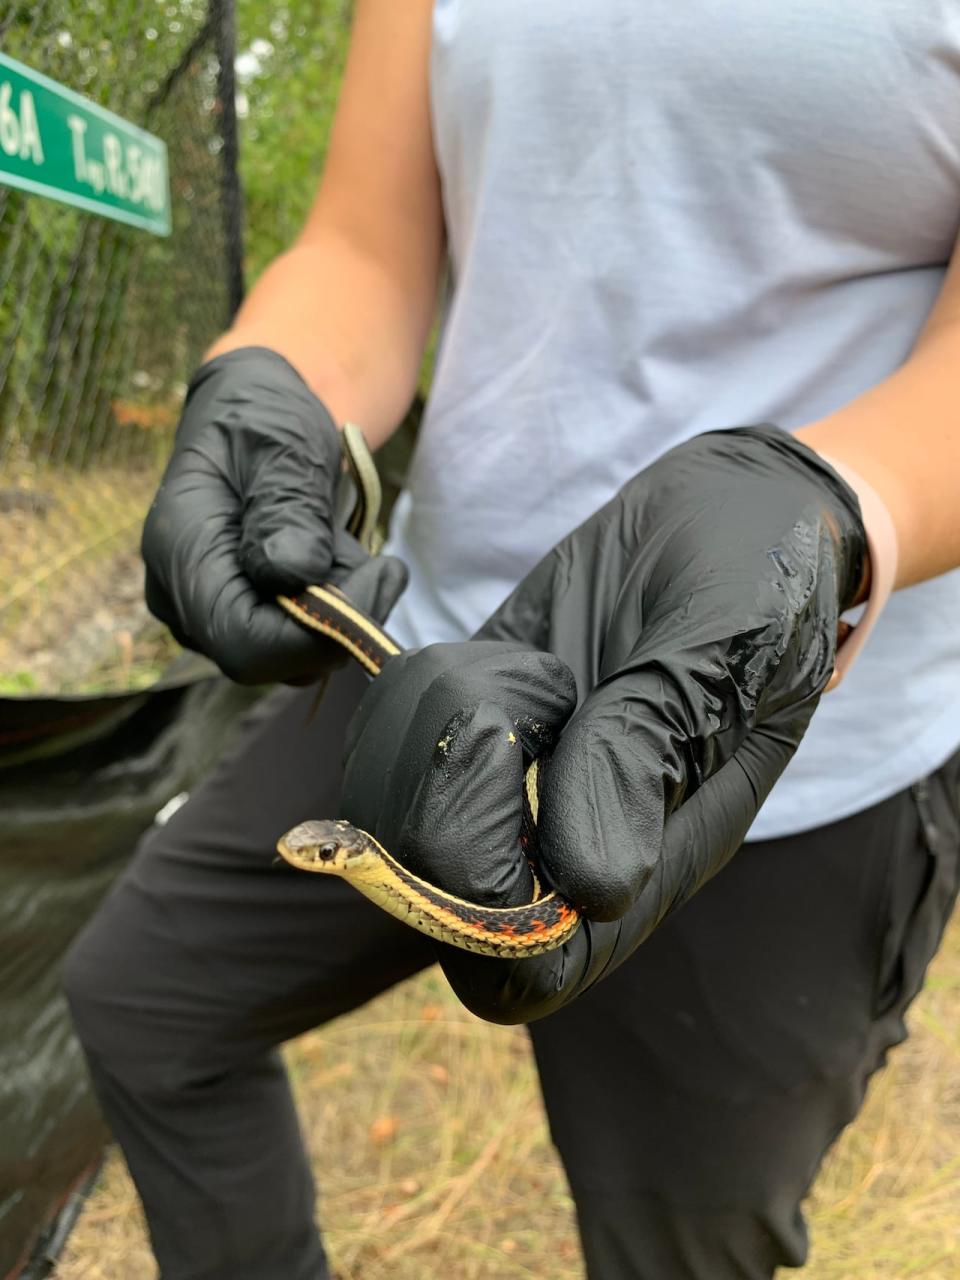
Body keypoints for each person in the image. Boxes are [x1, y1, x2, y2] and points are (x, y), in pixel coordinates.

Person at [64, 2, 960, 1277]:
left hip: (774, 753)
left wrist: (832, 508)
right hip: (437, 662)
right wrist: (272, 377)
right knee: (144, 999)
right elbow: (366, 246)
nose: (329, 855)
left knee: (678, 1243)